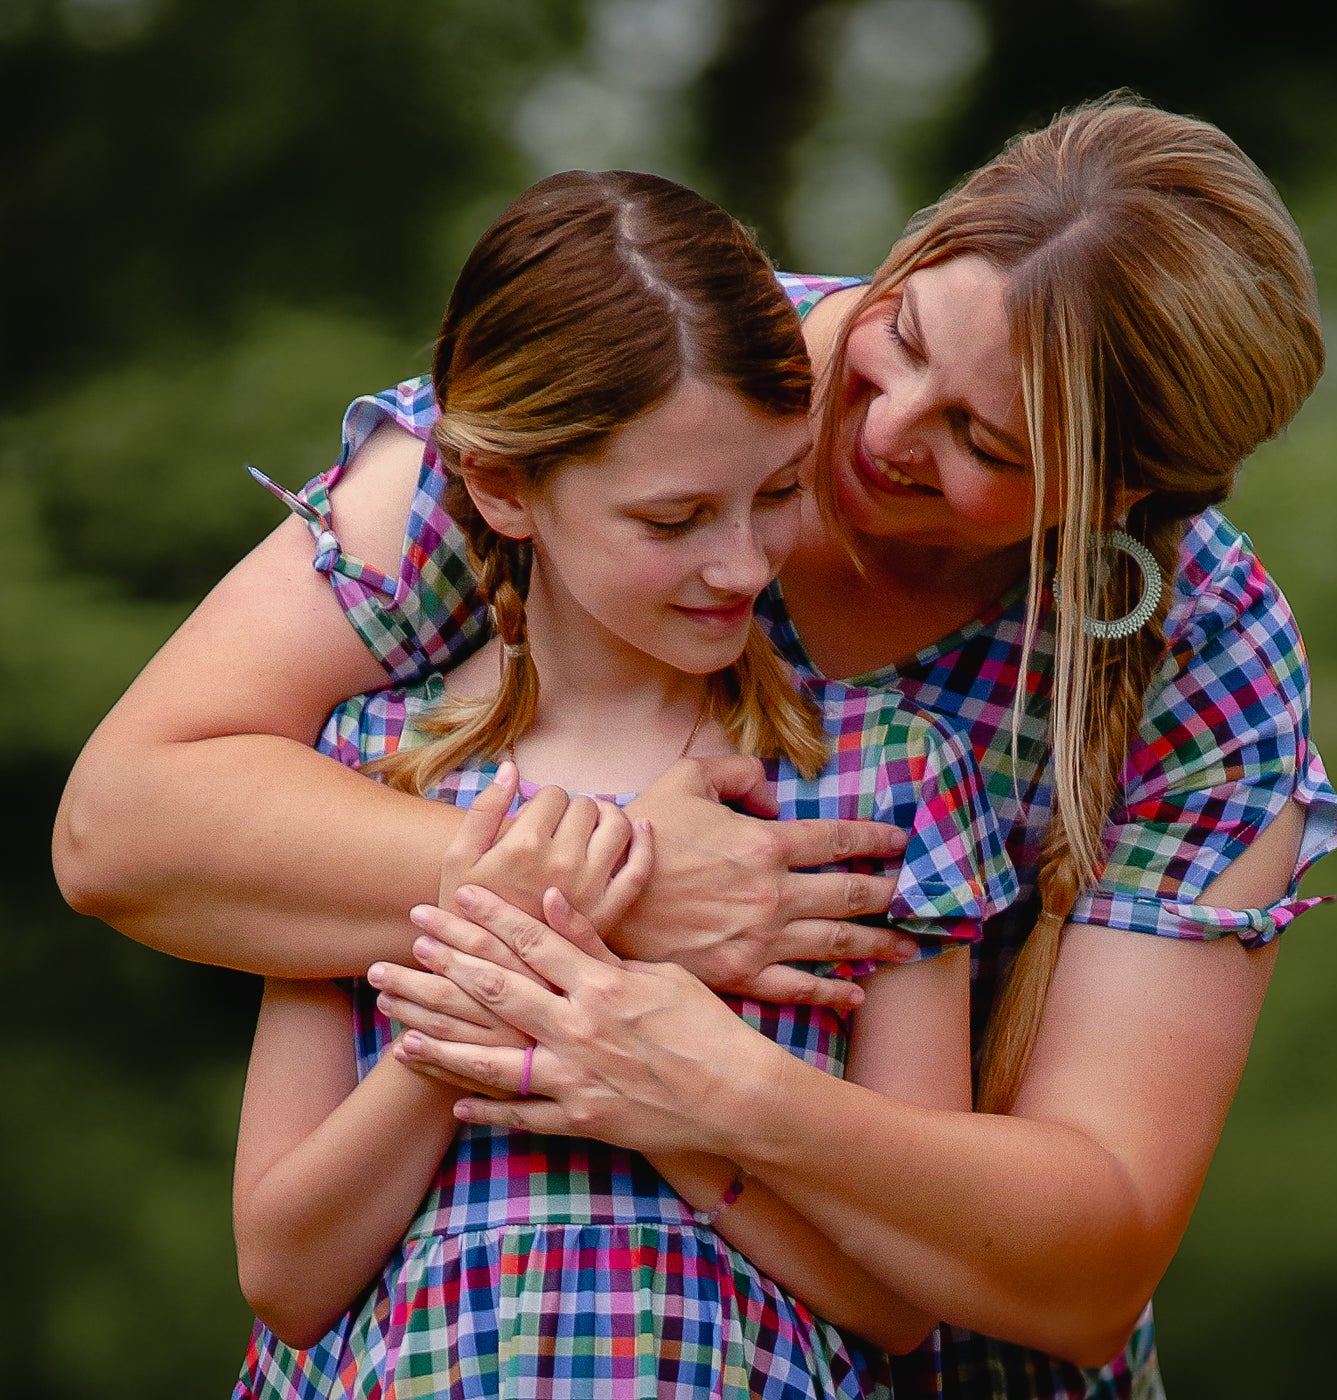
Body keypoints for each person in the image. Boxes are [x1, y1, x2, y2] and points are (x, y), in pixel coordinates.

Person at [55, 95, 1337, 1395]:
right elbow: (124, 825)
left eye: (984, 442)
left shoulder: (1198, 663)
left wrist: (714, 1094)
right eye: (898, 337)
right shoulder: (643, 375)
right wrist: (622, 889)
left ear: (1125, 495)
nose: (883, 431)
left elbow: (1086, 1265)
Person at [226, 169, 1014, 1398]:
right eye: (675, 517)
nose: (743, 563)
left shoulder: (884, 783)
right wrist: (500, 993)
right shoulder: (368, 767)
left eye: (774, 494)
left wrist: (670, 1100)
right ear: (500, 486)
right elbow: (284, 1269)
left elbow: (902, 1302)